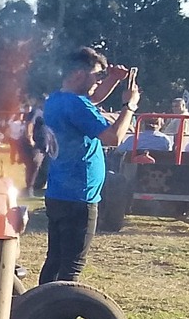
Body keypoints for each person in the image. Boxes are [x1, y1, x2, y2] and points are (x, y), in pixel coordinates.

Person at [38, 48, 139, 284]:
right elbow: (114, 137)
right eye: (97, 75)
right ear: (79, 74)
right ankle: (61, 307)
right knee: (71, 267)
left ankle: (41, 304)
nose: (99, 81)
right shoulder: (77, 105)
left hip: (59, 192)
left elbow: (91, 99)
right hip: (79, 197)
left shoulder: (57, 100)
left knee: (54, 261)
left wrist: (113, 79)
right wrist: (130, 106)